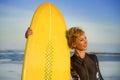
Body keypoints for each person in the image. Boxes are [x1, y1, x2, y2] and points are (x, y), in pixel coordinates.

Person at [25, 27, 104, 80]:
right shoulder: (69, 62)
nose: (85, 41)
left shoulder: (93, 58)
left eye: (85, 38)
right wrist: (31, 37)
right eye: (81, 40)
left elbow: (100, 77)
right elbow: (46, 55)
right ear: (73, 44)